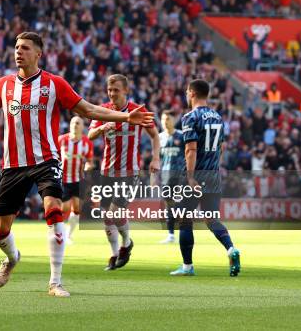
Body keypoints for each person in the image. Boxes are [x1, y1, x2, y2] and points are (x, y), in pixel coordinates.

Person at [0, 31, 154, 297]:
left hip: (46, 160)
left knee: (54, 211)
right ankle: (12, 259)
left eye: (24, 48)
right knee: (0, 230)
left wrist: (124, 118)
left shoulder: (55, 84)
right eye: (16, 47)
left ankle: (55, 282)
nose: (18, 52)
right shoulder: (4, 85)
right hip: (13, 165)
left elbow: (88, 110)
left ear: (38, 54)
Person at [88, 74, 161, 271]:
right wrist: (103, 127)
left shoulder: (138, 111)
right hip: (106, 171)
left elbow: (155, 136)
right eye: (109, 90)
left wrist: (155, 158)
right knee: (106, 216)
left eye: (116, 90)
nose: (112, 94)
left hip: (129, 172)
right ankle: (114, 254)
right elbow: (90, 135)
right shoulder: (103, 110)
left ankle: (126, 243)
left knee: (115, 213)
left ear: (126, 91)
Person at [170, 79, 241, 277]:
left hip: (196, 175)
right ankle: (231, 249)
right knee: (211, 219)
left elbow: (190, 149)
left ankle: (187, 267)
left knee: (184, 218)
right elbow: (221, 148)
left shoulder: (190, 117)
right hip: (213, 175)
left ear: (192, 93)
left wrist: (191, 177)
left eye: (186, 92)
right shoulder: (218, 117)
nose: (186, 95)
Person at [58, 116, 94, 244]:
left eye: (78, 123)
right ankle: (58, 233)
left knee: (77, 208)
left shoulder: (87, 143)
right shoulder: (61, 140)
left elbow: (90, 161)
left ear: (82, 127)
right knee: (65, 208)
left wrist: (89, 166)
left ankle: (68, 235)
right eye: (73, 122)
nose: (75, 125)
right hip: (63, 179)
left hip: (78, 179)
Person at [158, 110, 185, 244]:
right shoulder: (160, 137)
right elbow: (157, 159)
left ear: (174, 120)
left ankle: (184, 232)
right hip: (165, 177)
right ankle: (171, 235)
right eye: (163, 119)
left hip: (180, 176)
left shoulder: (181, 136)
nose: (165, 122)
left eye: (168, 119)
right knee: (169, 205)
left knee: (181, 205)